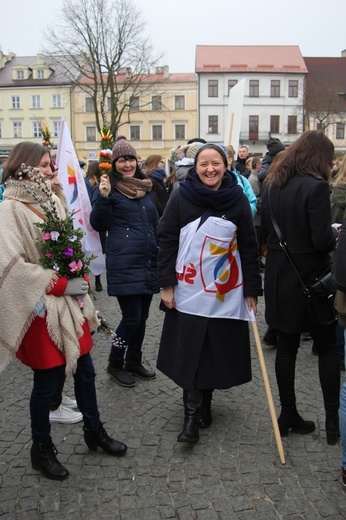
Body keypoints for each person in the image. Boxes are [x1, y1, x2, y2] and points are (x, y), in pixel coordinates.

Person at [0, 142, 127, 481]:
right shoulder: (10, 211)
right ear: (23, 168)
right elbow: (12, 267)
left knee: (85, 372)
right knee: (47, 382)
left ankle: (94, 430)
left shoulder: (53, 200)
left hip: (72, 305)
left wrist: (80, 272)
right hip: (43, 311)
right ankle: (41, 449)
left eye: (50, 163)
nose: (51, 170)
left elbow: (70, 242)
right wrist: (59, 284)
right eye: (43, 165)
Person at [157, 143, 262, 443]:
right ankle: (190, 416)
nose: (210, 169)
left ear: (225, 166)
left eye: (215, 163)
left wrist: (252, 290)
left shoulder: (237, 199)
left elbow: (249, 246)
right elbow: (166, 240)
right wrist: (166, 284)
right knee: (190, 349)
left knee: (214, 348)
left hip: (221, 293)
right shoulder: (181, 196)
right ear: (196, 166)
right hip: (188, 289)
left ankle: (206, 404)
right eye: (204, 163)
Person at [261, 130, 340, 445]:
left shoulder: (271, 185)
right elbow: (321, 240)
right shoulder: (317, 186)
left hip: (280, 277)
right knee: (328, 349)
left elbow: (268, 231)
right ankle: (333, 421)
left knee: (286, 347)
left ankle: (288, 413)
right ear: (319, 157)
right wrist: (335, 233)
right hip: (311, 279)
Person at [90, 136, 159, 388]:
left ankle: (134, 360)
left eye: (130, 158)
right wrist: (104, 197)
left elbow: (154, 223)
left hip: (148, 260)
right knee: (130, 318)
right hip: (124, 262)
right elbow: (98, 224)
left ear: (136, 161)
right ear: (113, 163)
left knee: (141, 319)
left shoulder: (144, 187)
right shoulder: (107, 188)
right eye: (121, 160)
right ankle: (114, 362)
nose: (127, 164)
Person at [86, 161, 106, 292]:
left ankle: (90, 279)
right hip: (97, 226)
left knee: (88, 250)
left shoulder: (85, 184)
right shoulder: (97, 186)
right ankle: (98, 280)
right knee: (99, 250)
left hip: (87, 224)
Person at [226, 146, 257, 217]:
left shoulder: (242, 179)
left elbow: (252, 203)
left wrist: (242, 213)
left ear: (230, 160)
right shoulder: (213, 180)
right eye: (240, 152)